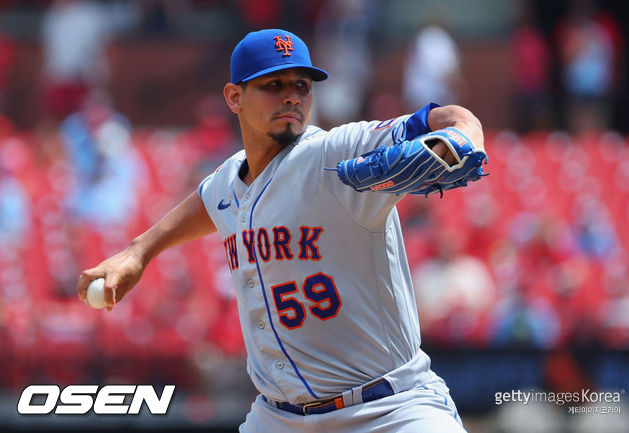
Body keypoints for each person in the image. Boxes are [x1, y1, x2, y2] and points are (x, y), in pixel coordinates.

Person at [78, 28, 485, 432]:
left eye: (302, 86)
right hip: (279, 418)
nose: (292, 95)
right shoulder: (228, 180)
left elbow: (457, 120)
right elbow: (205, 203)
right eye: (274, 84)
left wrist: (459, 140)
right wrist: (138, 252)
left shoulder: (335, 152)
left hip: (390, 409)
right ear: (234, 97)